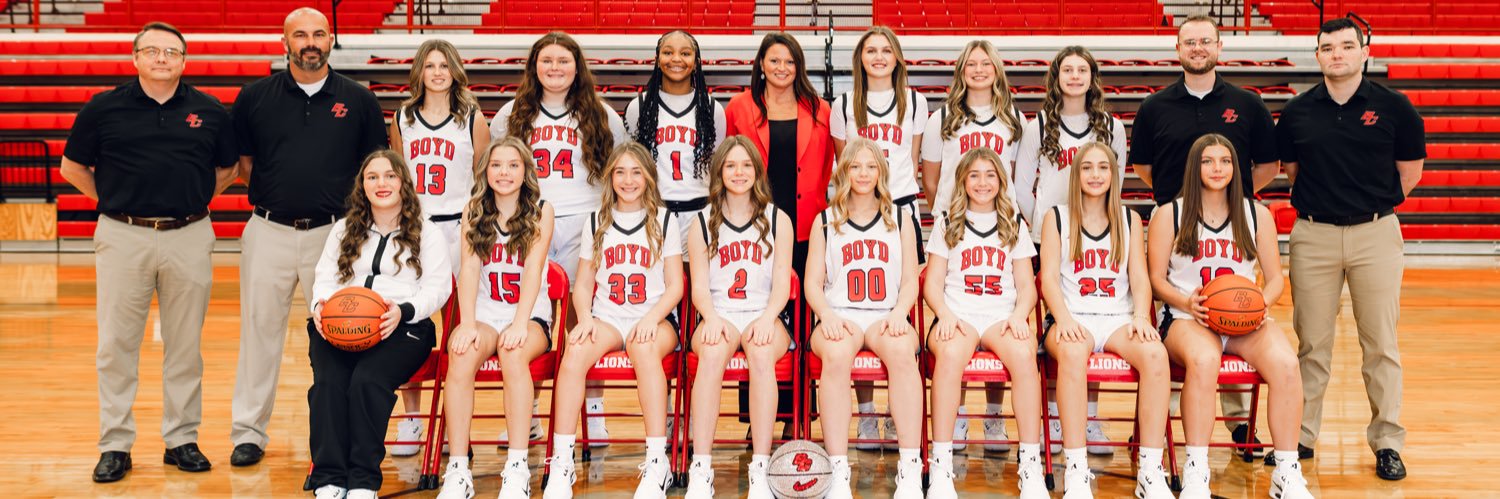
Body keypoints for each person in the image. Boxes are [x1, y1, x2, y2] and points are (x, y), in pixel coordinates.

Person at [63, 21, 238, 483]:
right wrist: (113, 200)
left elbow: (229, 169)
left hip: (188, 233)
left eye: (171, 52)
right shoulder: (104, 108)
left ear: (184, 60)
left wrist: (193, 197)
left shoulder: (209, 110)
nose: (162, 58)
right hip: (123, 235)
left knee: (184, 347)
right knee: (116, 346)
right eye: (152, 51)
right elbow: (71, 166)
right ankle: (115, 444)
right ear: (135, 57)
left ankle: (181, 438)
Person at [230, 7, 387, 468]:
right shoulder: (255, 97)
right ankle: (249, 433)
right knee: (259, 334)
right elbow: (243, 167)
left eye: (319, 33)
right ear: (285, 41)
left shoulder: (358, 99)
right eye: (301, 35)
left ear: (332, 39)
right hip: (269, 230)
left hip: (336, 235)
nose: (311, 42)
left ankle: (346, 430)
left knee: (342, 333)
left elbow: (375, 169)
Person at [1278, 18, 1423, 481]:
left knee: (1380, 344)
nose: (1336, 54)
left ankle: (1387, 441)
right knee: (1312, 345)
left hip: (1374, 233)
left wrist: (1368, 208)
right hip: (1313, 234)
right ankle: (1300, 435)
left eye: (1346, 46)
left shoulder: (1395, 107)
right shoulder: (1298, 111)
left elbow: (1409, 172)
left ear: (1364, 51)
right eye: (1327, 48)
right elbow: (1293, 172)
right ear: (1317, 56)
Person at [1128, 15, 1279, 449]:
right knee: (1194, 338)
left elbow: (1266, 167)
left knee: (1234, 311)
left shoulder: (1248, 104)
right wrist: (1183, 205)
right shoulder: (1155, 106)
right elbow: (1145, 168)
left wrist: (1228, 202)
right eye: (1189, 42)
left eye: (1206, 41)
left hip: (1232, 228)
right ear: (1177, 49)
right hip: (1175, 230)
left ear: (1219, 47)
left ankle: (1234, 422)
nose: (1198, 48)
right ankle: (1168, 429)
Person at [1146, 134, 1312, 499]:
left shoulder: (1257, 214)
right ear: (1194, 167)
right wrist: (1186, 302)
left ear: (1236, 169)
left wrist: (1260, 304)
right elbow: (1155, 280)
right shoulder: (1169, 214)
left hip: (1243, 320)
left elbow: (1274, 279)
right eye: (1208, 161)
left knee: (1287, 364)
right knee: (1204, 361)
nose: (1217, 168)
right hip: (1188, 318)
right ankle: (1196, 469)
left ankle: (1287, 470)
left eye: (1225, 161)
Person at [491, 30, 628, 445]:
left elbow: (616, 172)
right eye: (546, 60)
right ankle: (527, 412)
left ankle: (593, 411)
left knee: (582, 319)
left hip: (583, 221)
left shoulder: (602, 114)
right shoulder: (511, 114)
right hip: (527, 223)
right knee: (525, 314)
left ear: (577, 67)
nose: (554, 68)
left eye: (563, 61)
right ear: (534, 66)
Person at [305, 149, 452, 499]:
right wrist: (320, 307)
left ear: (403, 183)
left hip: (403, 326)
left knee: (367, 382)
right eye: (372, 177)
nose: (381, 183)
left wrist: (404, 309)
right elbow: (324, 277)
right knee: (328, 384)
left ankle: (362, 481)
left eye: (389, 176)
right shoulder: (343, 229)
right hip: (340, 324)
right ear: (363, 186)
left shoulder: (426, 232)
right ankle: (329, 478)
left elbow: (438, 287)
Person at [542, 143, 684, 499]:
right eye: (620, 172)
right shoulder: (597, 220)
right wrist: (586, 318)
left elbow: (675, 286)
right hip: (607, 317)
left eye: (636, 172)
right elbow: (584, 283)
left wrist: (652, 318)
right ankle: (561, 460)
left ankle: (656, 461)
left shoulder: (666, 219)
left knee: (643, 347)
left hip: (654, 318)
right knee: (573, 352)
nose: (628, 179)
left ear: (649, 177)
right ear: (610, 178)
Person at [1037, 143, 1171, 498]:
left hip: (1117, 317)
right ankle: (1077, 467)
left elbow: (1140, 278)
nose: (1095, 175)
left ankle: (1151, 468)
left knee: (1157, 355)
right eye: (1087, 168)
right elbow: (1048, 277)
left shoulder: (1130, 219)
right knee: (1074, 353)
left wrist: (1142, 316)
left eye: (1103, 168)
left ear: (1114, 175)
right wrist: (1063, 318)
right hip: (1071, 316)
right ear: (1076, 174)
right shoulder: (1057, 217)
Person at [1013, 45, 1129, 456]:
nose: (1075, 76)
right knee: (1057, 332)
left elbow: (1114, 178)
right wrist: (1044, 223)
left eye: (1082, 70)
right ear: (1056, 77)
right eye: (1068, 70)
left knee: (1096, 317)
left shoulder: (1111, 126)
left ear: (1092, 77)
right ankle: (1054, 413)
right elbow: (1022, 182)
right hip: (1051, 235)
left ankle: (1089, 418)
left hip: (1095, 233)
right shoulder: (1039, 124)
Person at [917, 38, 1025, 451]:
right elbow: (931, 179)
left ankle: (995, 418)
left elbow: (1010, 175)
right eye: (971, 64)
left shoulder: (1012, 118)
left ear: (996, 70)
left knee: (1002, 309)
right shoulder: (942, 118)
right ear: (960, 71)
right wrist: (953, 212)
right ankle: (957, 416)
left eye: (986, 64)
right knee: (955, 320)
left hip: (999, 224)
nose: (979, 70)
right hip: (955, 223)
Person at [829, 27, 932, 448]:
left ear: (897, 57)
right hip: (858, 207)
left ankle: (896, 411)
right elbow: (846, 163)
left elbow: (911, 159)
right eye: (870, 50)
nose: (878, 56)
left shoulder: (916, 103)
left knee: (898, 312)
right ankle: (867, 413)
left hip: (901, 206)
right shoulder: (843, 105)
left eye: (886, 49)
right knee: (859, 303)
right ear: (860, 58)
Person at [435, 138, 555, 499]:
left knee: (513, 352)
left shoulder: (541, 209)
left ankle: (517, 466)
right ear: (485, 171)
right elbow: (469, 269)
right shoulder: (474, 208)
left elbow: (533, 270)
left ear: (525, 171)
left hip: (529, 313)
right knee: (460, 354)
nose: (504, 173)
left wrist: (520, 323)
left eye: (513, 165)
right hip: (486, 312)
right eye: (497, 165)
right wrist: (467, 322)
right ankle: (458, 469)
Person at [388, 38, 490, 458]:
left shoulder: (472, 118)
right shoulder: (402, 118)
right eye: (429, 66)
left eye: (444, 66)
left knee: (456, 327)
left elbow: (483, 180)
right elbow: (395, 178)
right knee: (408, 324)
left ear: (454, 72)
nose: (436, 73)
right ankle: (413, 418)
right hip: (414, 229)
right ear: (419, 72)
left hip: (457, 229)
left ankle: (450, 420)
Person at [804, 138, 924, 499]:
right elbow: (812, 283)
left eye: (871, 166)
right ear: (844, 171)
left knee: (903, 354)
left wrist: (901, 312)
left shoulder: (900, 219)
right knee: (837, 355)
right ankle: (838, 471)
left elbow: (910, 279)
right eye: (855, 166)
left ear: (881, 172)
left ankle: (910, 468)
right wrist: (826, 315)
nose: (863, 173)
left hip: (885, 315)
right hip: (839, 314)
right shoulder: (825, 220)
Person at [922, 147, 1043, 499]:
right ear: (962, 180)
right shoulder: (947, 222)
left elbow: (1026, 286)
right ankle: (942, 464)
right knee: (949, 357)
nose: (982, 182)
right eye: (974, 175)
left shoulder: (1014, 224)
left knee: (1024, 357)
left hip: (1000, 315)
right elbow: (932, 283)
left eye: (990, 175)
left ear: (1001, 181)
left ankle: (1030, 463)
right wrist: (944, 315)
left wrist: (1020, 316)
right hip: (959, 312)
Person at [681, 136, 796, 499]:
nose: (739, 172)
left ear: (757, 172)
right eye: (730, 165)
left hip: (765, 312)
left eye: (746, 165)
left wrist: (766, 319)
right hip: (719, 312)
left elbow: (783, 284)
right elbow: (698, 286)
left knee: (761, 355)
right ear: (719, 173)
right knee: (712, 353)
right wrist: (711, 318)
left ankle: (760, 468)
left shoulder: (779, 220)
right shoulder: (701, 222)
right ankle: (701, 467)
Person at [724, 32, 834, 278]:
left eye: (790, 62)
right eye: (774, 61)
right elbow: (726, 166)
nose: (782, 68)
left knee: (805, 302)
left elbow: (827, 164)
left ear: (799, 66)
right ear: (761, 63)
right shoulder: (738, 107)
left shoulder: (821, 110)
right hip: (753, 222)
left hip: (807, 224)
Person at [625, 29, 726, 239]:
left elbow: (717, 168)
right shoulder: (640, 107)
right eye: (668, 52)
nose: (676, 59)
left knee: (697, 272)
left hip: (700, 212)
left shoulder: (712, 109)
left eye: (686, 53)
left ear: (696, 61)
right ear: (657, 59)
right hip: (654, 212)